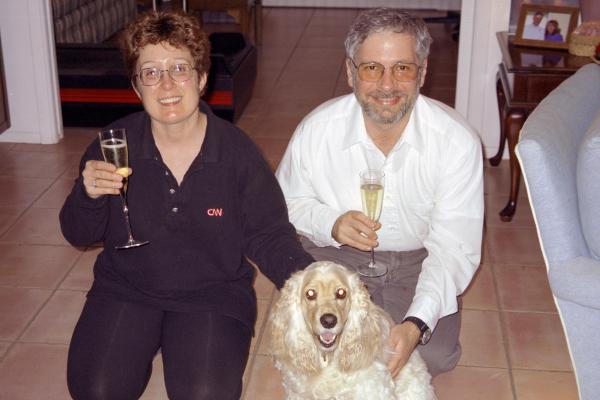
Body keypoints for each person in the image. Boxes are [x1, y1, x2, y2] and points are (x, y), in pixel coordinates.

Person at [60, 10, 314, 400]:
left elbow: (268, 235)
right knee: (95, 391)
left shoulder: (237, 152)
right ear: (136, 86)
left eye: (179, 68)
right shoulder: (114, 145)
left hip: (212, 294)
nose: (166, 84)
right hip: (126, 288)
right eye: (151, 72)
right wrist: (87, 194)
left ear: (202, 78)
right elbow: (78, 233)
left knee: (204, 394)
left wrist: (314, 282)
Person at [276, 8, 484, 377]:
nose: (387, 85)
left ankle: (423, 311)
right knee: (315, 343)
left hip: (421, 260)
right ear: (350, 72)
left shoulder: (456, 141)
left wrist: (416, 323)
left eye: (402, 68)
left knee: (431, 355)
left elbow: (454, 247)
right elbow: (283, 205)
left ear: (422, 72)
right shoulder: (316, 130)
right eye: (372, 68)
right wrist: (331, 223)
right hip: (337, 255)